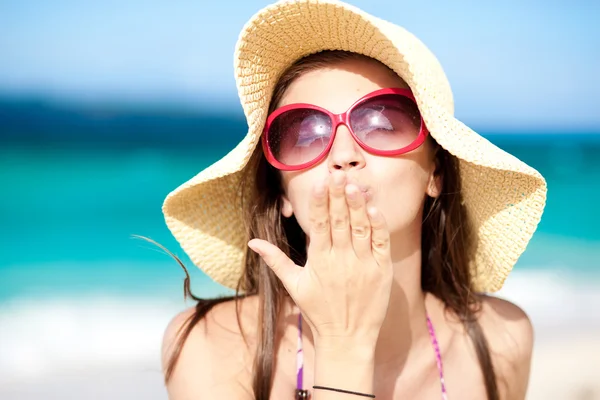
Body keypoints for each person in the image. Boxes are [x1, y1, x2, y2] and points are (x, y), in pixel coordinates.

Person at [159, 0, 547, 399]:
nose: (342, 154)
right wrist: (344, 343)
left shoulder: (501, 342)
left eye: (382, 122)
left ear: (437, 171)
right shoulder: (211, 346)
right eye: (305, 135)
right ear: (281, 192)